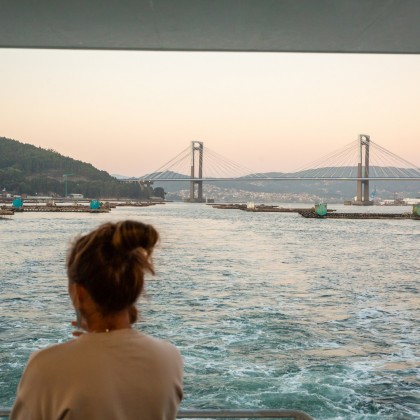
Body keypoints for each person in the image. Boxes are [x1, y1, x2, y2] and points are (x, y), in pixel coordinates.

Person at [11, 220, 183, 420]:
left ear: (79, 292)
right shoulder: (169, 359)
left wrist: (94, 336)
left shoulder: (45, 367)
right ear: (133, 287)